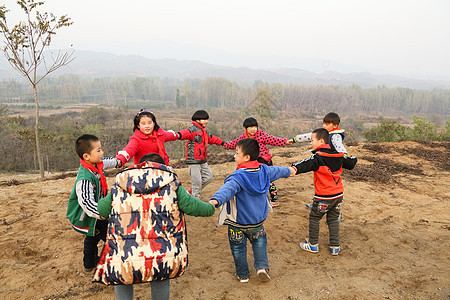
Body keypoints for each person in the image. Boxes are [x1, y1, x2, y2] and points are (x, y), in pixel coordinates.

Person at [94, 153, 215, 300]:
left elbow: (102, 210)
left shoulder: (120, 184)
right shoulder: (171, 183)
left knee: (121, 276)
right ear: (163, 167)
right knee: (160, 276)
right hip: (161, 248)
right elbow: (193, 206)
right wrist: (211, 207)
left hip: (124, 248)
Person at [209, 138, 296, 283]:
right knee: (259, 243)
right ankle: (262, 267)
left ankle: (243, 275)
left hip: (237, 224)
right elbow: (279, 170)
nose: (235, 156)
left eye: (237, 153)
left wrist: (215, 201)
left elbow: (226, 190)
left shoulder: (237, 178)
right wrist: (290, 171)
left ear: (246, 157)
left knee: (238, 249)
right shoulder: (265, 171)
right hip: (257, 222)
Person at [291, 128, 357, 256]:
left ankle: (313, 245)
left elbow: (304, 165)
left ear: (321, 141)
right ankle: (335, 247)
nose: (311, 143)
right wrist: (354, 158)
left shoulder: (318, 157)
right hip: (338, 195)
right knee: (333, 219)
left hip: (323, 196)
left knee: (314, 218)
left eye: (312, 140)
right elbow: (350, 163)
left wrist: (293, 169)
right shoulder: (338, 155)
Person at [66, 134, 119, 272]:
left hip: (96, 210)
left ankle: (89, 263)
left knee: (92, 236)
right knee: (111, 235)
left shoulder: (95, 165)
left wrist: (119, 161)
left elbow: (108, 162)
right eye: (98, 150)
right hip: (89, 214)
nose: (102, 153)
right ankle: (115, 261)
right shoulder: (85, 179)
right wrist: (103, 214)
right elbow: (86, 203)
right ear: (86, 156)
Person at [223, 117, 293, 207]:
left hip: (264, 160)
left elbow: (273, 139)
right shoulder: (243, 138)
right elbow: (235, 143)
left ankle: (274, 199)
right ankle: (257, 198)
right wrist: (226, 145)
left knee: (269, 179)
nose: (253, 129)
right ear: (245, 128)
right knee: (254, 179)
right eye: (251, 127)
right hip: (252, 162)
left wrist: (285, 142)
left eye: (255, 127)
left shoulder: (261, 135)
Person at [177, 110, 224, 199]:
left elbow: (212, 138)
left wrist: (222, 143)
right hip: (193, 161)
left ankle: (191, 192)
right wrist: (177, 134)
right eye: (204, 119)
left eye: (207, 119)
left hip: (202, 160)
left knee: (209, 177)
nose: (206, 121)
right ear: (197, 120)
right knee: (197, 183)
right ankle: (195, 203)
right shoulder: (193, 129)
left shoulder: (204, 131)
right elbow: (185, 133)